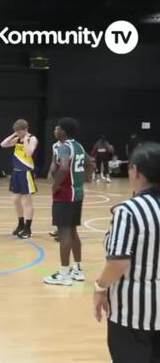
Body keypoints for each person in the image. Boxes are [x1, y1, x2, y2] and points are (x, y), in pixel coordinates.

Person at [93, 142, 160, 363]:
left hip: (132, 313)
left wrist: (99, 287)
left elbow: (118, 262)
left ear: (136, 171)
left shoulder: (129, 211)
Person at [44, 117, 93, 286]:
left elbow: (64, 167)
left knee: (64, 232)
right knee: (72, 231)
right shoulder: (78, 146)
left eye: (57, 128)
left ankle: (64, 274)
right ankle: (78, 270)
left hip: (65, 195)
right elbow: (91, 164)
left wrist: (56, 185)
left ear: (64, 131)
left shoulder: (64, 147)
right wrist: (81, 180)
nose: (55, 130)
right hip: (77, 194)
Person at [0, 119, 38, 239]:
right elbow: (3, 144)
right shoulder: (17, 139)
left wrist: (25, 139)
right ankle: (20, 224)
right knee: (16, 200)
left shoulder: (31, 139)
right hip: (16, 173)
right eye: (16, 131)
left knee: (27, 201)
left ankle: (28, 228)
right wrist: (14, 135)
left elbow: (29, 153)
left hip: (26, 172)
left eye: (19, 131)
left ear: (25, 129)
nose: (17, 133)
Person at [48, 140, 61, 241]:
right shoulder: (55, 145)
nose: (55, 131)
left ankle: (65, 232)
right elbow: (54, 160)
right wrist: (50, 172)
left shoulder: (71, 145)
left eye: (58, 129)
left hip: (65, 177)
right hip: (57, 176)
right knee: (56, 205)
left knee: (64, 205)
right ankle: (59, 228)